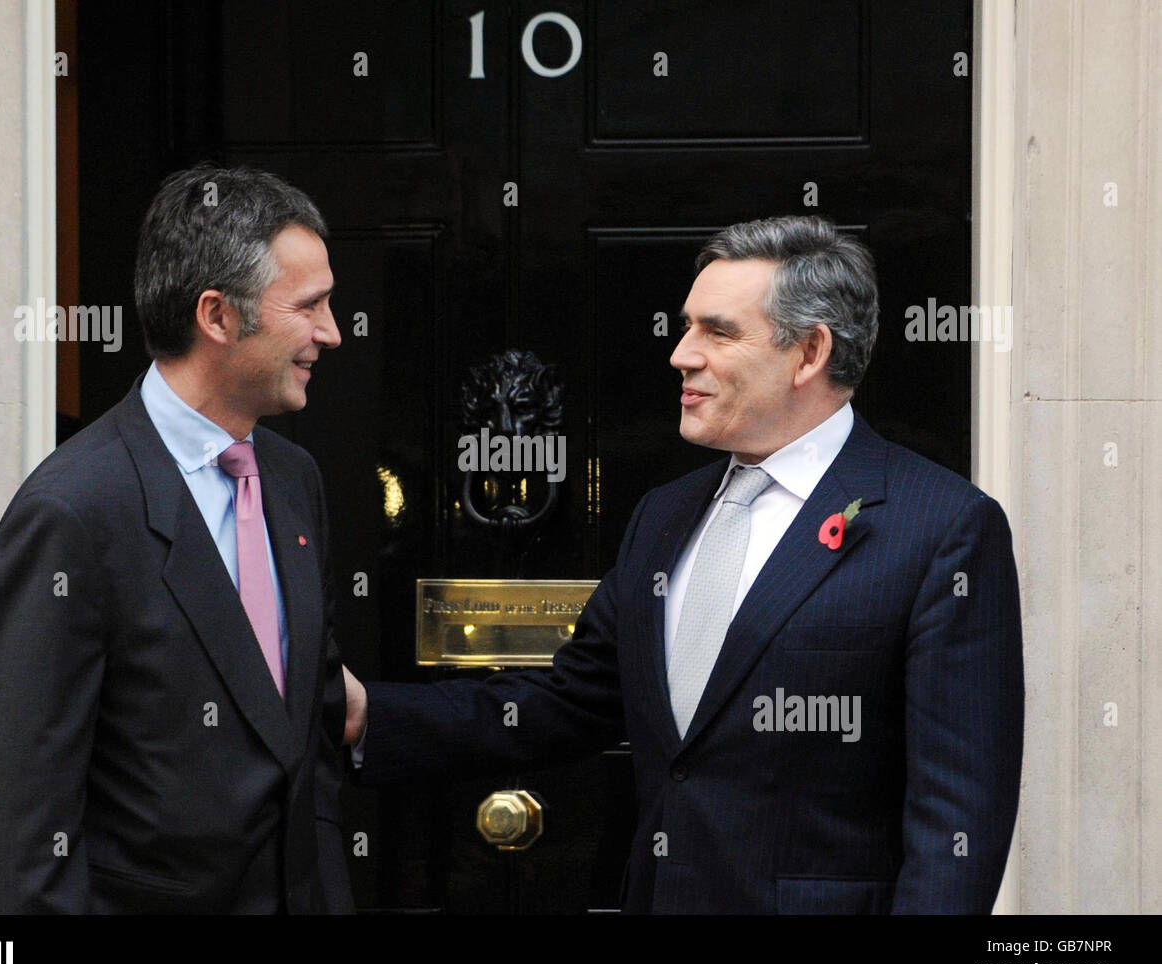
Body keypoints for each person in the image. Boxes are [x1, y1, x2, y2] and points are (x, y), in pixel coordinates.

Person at [343, 215, 1024, 914]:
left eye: (717, 331)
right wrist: (369, 717)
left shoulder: (940, 528)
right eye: (685, 325)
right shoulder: (665, 516)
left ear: (809, 352)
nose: (680, 354)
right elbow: (567, 704)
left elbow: (957, 818)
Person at [0, 164, 352, 914]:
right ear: (217, 316)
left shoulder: (294, 479)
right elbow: (25, 833)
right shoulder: (72, 512)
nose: (332, 333)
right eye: (310, 307)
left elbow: (308, 738)